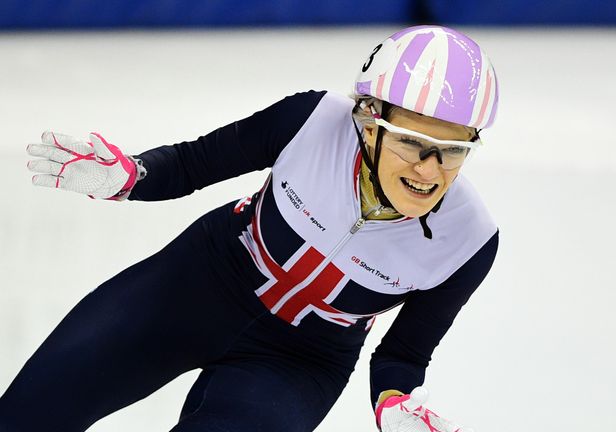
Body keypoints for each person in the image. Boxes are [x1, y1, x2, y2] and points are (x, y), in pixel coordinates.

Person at [0, 25, 499, 432]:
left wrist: (394, 401)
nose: (430, 170)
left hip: (298, 362)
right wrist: (130, 175)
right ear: (369, 123)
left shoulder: (469, 239)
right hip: (195, 286)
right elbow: (193, 164)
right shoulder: (311, 122)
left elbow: (403, 356)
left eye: (454, 149)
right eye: (412, 143)